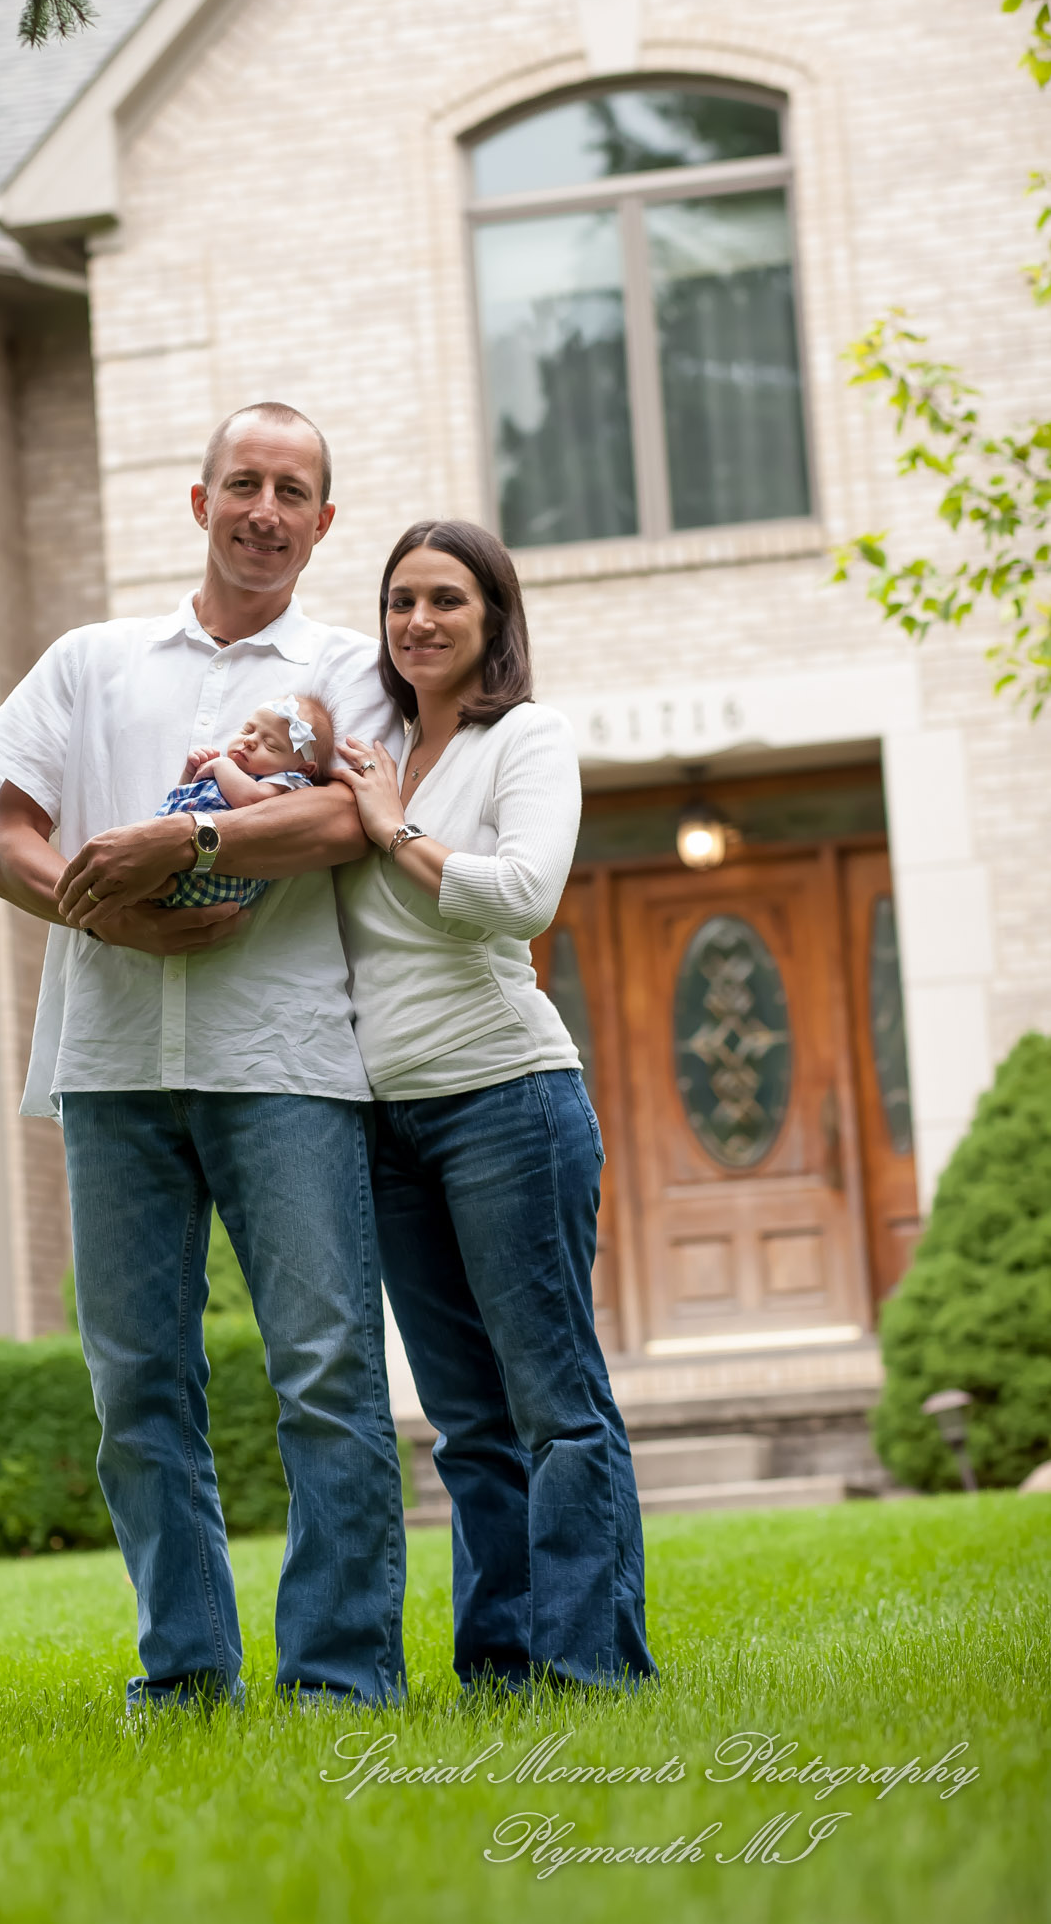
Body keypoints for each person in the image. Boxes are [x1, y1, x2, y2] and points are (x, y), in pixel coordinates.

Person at [0, 404, 406, 1710]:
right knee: (139, 1388)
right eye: (244, 483)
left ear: (325, 523)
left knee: (325, 1370)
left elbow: (346, 818)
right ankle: (189, 1672)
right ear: (198, 501)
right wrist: (108, 904)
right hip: (112, 1067)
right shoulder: (92, 660)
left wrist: (184, 844)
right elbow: (7, 838)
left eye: (294, 490)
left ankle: (339, 1679)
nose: (266, 508)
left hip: (287, 1065)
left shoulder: (351, 671)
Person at [334, 517, 656, 1694]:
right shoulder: (368, 754)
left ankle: (591, 1666)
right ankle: (503, 1669)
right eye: (400, 601)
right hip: (391, 1121)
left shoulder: (525, 736)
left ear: (494, 622)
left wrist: (396, 834)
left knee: (556, 1405)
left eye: (447, 602)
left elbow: (519, 899)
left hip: (508, 1102)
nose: (418, 621)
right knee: (467, 1422)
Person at [155, 693, 333, 910]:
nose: (249, 741)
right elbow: (186, 797)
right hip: (172, 847)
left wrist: (221, 766)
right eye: (248, 730)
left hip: (215, 874)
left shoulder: (286, 781)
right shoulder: (232, 769)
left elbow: (251, 800)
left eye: (270, 745)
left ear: (302, 768)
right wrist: (192, 773)